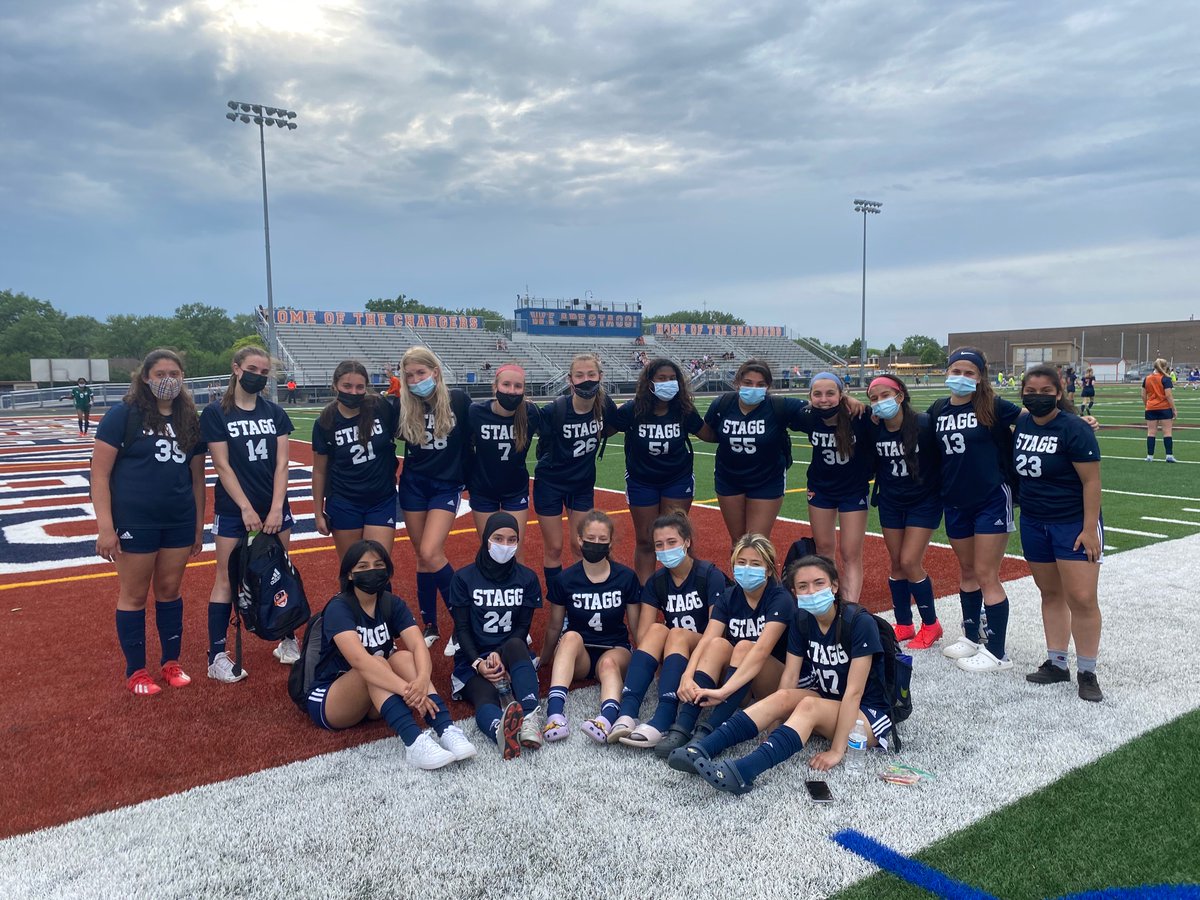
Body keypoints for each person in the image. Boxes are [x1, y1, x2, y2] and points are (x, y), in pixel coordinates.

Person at [677, 555, 892, 794]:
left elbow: (854, 692)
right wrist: (776, 723)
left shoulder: (859, 622)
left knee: (810, 705)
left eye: (819, 583)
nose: (811, 591)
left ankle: (743, 771)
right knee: (784, 696)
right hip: (830, 700)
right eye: (803, 586)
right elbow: (789, 676)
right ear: (794, 592)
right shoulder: (803, 619)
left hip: (867, 714)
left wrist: (838, 749)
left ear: (834, 586)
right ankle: (703, 747)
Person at [90, 349, 205, 696]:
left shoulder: (189, 418)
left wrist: (198, 527)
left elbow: (197, 479)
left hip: (178, 519)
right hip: (135, 520)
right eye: (159, 374)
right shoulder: (123, 414)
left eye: (174, 373)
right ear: (145, 377)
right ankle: (136, 670)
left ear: (183, 378)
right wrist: (106, 527)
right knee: (134, 595)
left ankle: (171, 662)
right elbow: (99, 473)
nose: (167, 380)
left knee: (170, 592)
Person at [305, 540, 475, 769]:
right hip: (332, 699)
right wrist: (409, 691)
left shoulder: (391, 603)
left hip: (375, 698)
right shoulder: (339, 607)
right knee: (375, 663)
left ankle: (446, 728)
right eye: (363, 567)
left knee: (403, 657)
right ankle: (414, 742)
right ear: (350, 575)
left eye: (377, 565)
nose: (372, 571)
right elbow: (360, 661)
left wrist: (422, 679)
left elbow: (417, 646)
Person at [201, 346, 297, 682]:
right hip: (233, 510)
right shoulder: (216, 413)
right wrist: (245, 508)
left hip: (274, 509)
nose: (259, 374)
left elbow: (283, 464)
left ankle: (288, 639)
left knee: (280, 573)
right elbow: (222, 465)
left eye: (265, 371)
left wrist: (274, 508)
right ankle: (217, 656)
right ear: (237, 369)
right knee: (226, 579)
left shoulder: (275, 412)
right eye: (253, 368)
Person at [657, 533, 793, 761]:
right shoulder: (730, 596)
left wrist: (723, 692)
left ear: (769, 570)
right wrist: (687, 675)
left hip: (773, 682)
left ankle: (710, 732)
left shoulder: (780, 598)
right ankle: (683, 726)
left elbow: (760, 652)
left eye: (755, 563)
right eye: (741, 562)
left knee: (744, 647)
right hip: (740, 682)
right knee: (718, 644)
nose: (747, 568)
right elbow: (707, 638)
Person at [1015, 366, 1104, 701]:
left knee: (1081, 598)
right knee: (1050, 593)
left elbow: (1092, 482)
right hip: (1035, 521)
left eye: (1045, 391)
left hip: (1071, 522)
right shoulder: (1022, 422)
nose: (1037, 397)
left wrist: (1089, 528)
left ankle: (1087, 671)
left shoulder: (1074, 428)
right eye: (1031, 391)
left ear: (1059, 391)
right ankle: (1056, 663)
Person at [932, 348, 1023, 673]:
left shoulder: (994, 406)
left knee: (986, 574)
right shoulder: (939, 408)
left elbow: (1036, 419)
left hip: (991, 499)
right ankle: (971, 637)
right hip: (956, 501)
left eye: (969, 372)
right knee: (967, 571)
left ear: (981, 376)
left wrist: (1075, 418)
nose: (961, 377)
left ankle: (997, 652)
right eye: (955, 370)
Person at [615, 512, 728, 748]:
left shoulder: (709, 575)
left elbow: (716, 632)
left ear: (687, 542)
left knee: (675, 632)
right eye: (659, 545)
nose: (665, 549)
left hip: (712, 657)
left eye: (672, 542)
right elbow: (644, 635)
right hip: (677, 655)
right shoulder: (657, 581)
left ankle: (664, 717)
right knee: (657, 630)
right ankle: (628, 711)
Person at [448, 512, 545, 758]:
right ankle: (499, 732)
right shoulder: (463, 578)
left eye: (512, 539)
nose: (505, 545)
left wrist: (499, 654)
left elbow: (523, 628)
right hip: (473, 657)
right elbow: (462, 629)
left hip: (511, 653)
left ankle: (531, 717)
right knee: (484, 694)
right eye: (498, 538)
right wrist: (478, 663)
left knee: (514, 642)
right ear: (485, 539)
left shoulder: (527, 578)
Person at [395, 346, 473, 652]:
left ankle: (463, 621)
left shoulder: (458, 401)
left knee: (431, 550)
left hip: (446, 485)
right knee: (421, 555)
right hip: (414, 485)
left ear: (435, 372)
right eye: (410, 375)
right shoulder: (402, 406)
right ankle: (430, 623)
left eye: (421, 373)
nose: (416, 380)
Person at [540, 510, 642, 744]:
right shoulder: (565, 579)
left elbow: (636, 628)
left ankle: (606, 719)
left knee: (608, 663)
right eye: (590, 538)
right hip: (581, 655)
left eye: (602, 540)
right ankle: (555, 714)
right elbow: (555, 625)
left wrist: (646, 663)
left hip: (615, 649)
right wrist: (543, 658)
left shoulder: (626, 577)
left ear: (610, 542)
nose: (596, 544)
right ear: (579, 539)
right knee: (570, 636)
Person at [866, 374, 944, 649]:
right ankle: (904, 624)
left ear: (900, 396)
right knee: (897, 563)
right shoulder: (874, 427)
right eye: (873, 399)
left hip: (923, 500)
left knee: (911, 561)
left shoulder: (924, 424)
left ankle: (931, 624)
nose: (879, 403)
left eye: (885, 396)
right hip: (890, 500)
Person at [610, 359, 705, 582]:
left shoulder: (683, 410)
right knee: (645, 540)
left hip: (677, 479)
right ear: (649, 382)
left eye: (672, 379)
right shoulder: (633, 410)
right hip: (641, 480)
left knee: (677, 536)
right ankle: (647, 594)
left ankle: (683, 588)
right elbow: (604, 430)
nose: (668, 383)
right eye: (661, 378)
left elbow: (708, 433)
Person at [697, 359, 809, 546]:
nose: (753, 388)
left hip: (766, 479)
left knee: (757, 544)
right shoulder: (723, 404)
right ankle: (739, 576)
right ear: (737, 383)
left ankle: (765, 577)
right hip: (729, 479)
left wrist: (846, 400)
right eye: (748, 383)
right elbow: (710, 433)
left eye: (760, 384)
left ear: (768, 386)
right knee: (738, 542)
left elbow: (819, 408)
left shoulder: (779, 405)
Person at [533, 352, 618, 587]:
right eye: (579, 375)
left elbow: (613, 426)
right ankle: (558, 599)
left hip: (581, 485)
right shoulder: (555, 410)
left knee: (582, 545)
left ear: (600, 376)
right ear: (570, 380)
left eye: (591, 374)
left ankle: (584, 594)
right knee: (554, 547)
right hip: (550, 484)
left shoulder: (605, 405)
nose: (586, 379)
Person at [793, 372, 873, 604]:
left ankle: (850, 607)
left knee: (850, 553)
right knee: (824, 549)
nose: (824, 399)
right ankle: (828, 600)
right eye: (817, 394)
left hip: (853, 489)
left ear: (841, 395)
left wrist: (852, 402)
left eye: (830, 393)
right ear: (810, 397)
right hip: (821, 488)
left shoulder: (858, 415)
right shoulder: (807, 416)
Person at [311, 360, 400, 560]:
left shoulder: (379, 407)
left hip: (381, 498)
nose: (353, 392)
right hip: (344, 501)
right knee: (352, 568)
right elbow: (319, 470)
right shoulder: (325, 421)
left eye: (360, 387)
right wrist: (318, 513)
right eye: (347, 386)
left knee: (378, 563)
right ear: (335, 386)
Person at [466, 365, 540, 555]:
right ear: (495, 387)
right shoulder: (476, 412)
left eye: (518, 386)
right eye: (506, 384)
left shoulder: (531, 413)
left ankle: (519, 586)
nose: (511, 391)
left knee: (514, 551)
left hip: (515, 490)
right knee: (489, 550)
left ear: (524, 389)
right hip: (483, 489)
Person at [1142, 358, 1178, 462]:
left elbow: (1143, 395)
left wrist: (1147, 405)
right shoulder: (1165, 379)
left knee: (1151, 432)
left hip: (1151, 408)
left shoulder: (1147, 378)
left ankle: (1150, 456)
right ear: (1164, 367)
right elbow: (1168, 395)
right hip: (1164, 408)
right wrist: (1174, 409)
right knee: (1167, 432)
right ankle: (1169, 455)